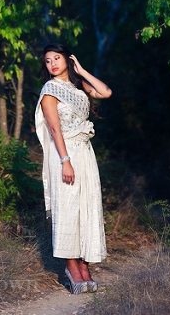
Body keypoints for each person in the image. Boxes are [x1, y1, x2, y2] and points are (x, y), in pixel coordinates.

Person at [35, 43, 113, 294]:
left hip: (85, 153)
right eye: (48, 61)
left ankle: (85, 265)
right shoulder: (50, 89)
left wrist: (82, 70)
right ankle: (72, 267)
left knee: (88, 207)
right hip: (64, 154)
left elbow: (106, 92)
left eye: (57, 58)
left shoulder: (78, 88)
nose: (52, 64)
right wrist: (65, 161)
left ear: (67, 59)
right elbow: (55, 129)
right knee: (67, 208)